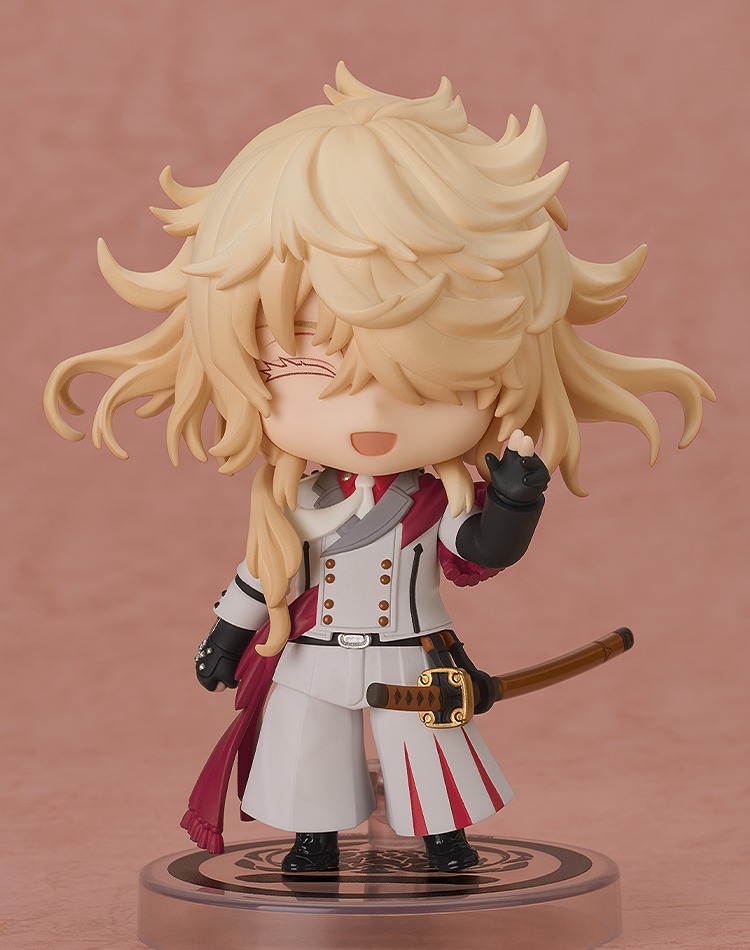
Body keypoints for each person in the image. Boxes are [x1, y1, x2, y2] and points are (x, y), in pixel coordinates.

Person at [44, 63, 713, 873]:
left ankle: (444, 839)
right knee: (306, 745)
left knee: (428, 751)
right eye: (306, 366)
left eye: (429, 378)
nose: (369, 413)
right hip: (314, 649)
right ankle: (314, 838)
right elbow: (264, 571)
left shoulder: (439, 497)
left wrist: (512, 505)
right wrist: (227, 634)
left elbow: (478, 554)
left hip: (411, 652)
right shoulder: (299, 499)